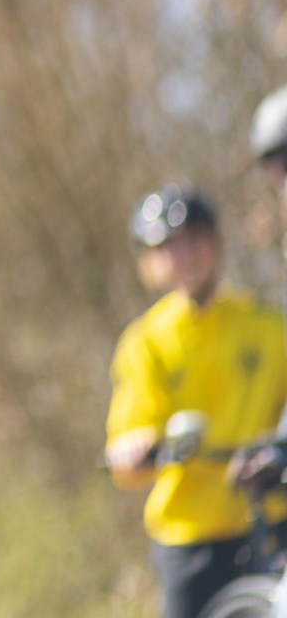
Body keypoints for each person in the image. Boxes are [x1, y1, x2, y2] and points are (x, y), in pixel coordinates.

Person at [105, 185, 287, 618]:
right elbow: (128, 435)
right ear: (149, 261)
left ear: (217, 243)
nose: (186, 256)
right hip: (191, 533)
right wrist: (133, 447)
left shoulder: (267, 327)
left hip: (269, 514)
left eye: (195, 240)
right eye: (170, 247)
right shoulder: (145, 344)